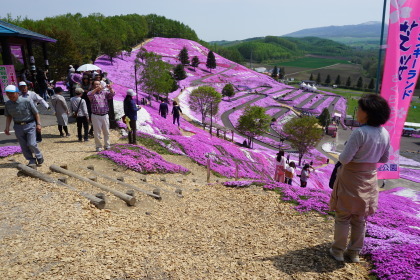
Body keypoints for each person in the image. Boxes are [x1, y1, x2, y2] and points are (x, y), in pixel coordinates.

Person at [329, 94, 391, 263]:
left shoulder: (360, 133)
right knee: (359, 218)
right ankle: (354, 253)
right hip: (369, 178)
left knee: (343, 216)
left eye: (360, 109)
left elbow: (345, 159)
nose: (357, 112)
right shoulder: (385, 133)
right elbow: (384, 159)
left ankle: (338, 251)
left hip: (351, 177)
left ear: (368, 113)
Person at [3, 85, 44, 166]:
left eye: (12, 93)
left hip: (30, 125)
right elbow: (9, 116)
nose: (10, 95)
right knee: (23, 146)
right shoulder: (8, 104)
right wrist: (7, 127)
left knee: (31, 143)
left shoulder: (27, 101)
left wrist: (38, 124)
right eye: (8, 93)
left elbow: (36, 113)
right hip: (18, 127)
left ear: (17, 93)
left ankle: (39, 155)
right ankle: (31, 160)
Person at [87, 80, 115, 151]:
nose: (97, 85)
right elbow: (89, 95)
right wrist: (96, 89)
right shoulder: (91, 93)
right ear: (93, 86)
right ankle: (98, 146)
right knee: (97, 132)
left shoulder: (104, 92)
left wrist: (110, 88)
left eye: (98, 84)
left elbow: (112, 94)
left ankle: (107, 145)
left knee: (106, 132)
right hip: (96, 115)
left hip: (105, 115)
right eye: (96, 84)